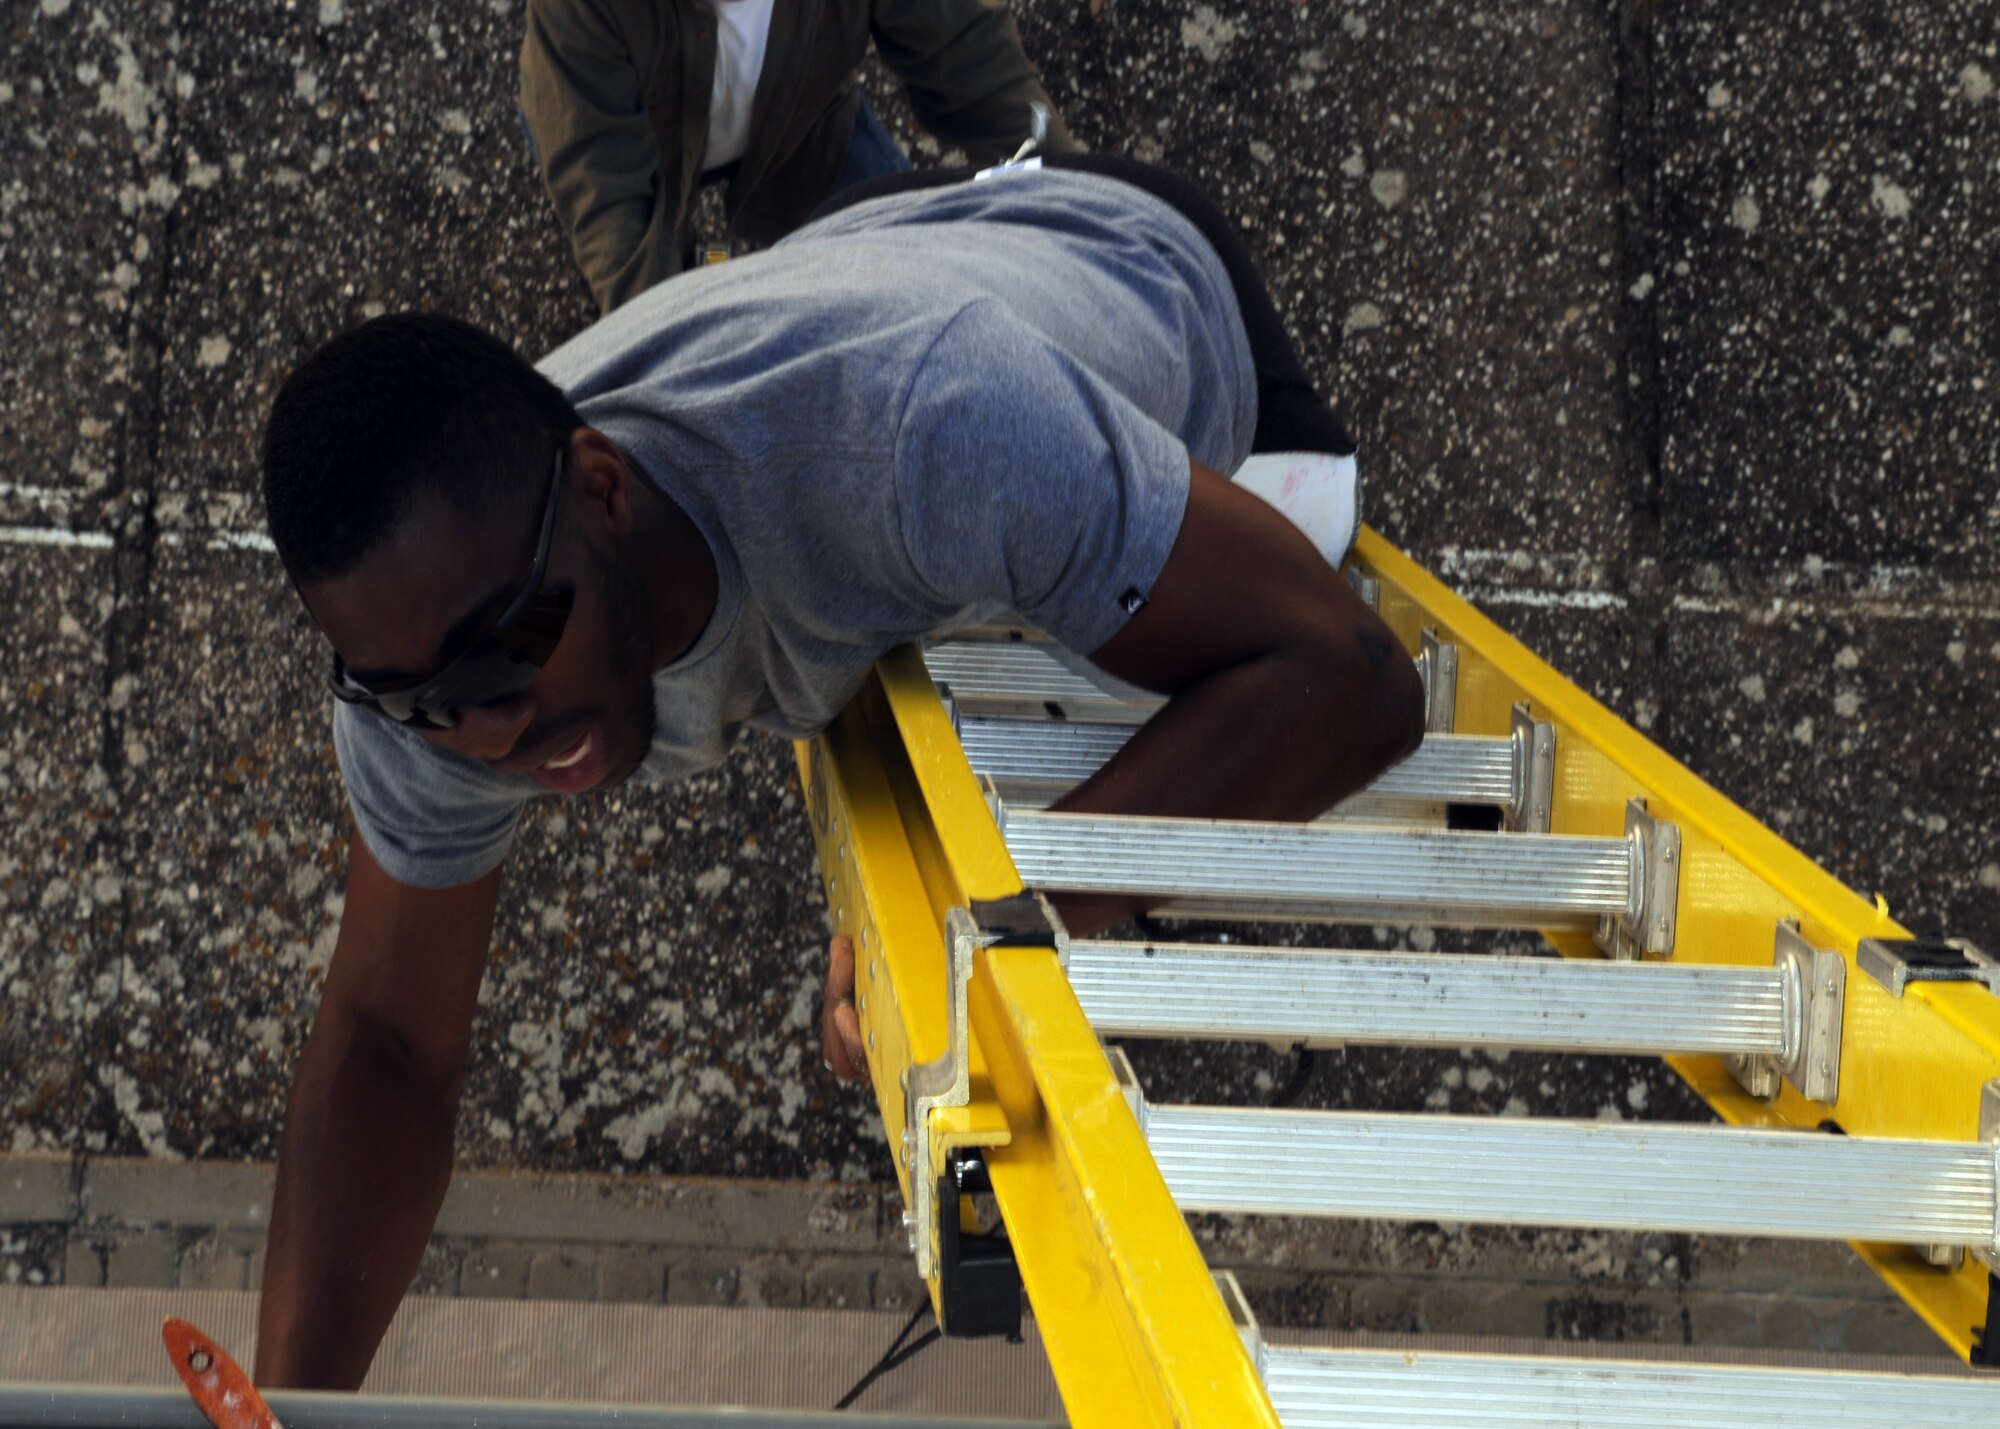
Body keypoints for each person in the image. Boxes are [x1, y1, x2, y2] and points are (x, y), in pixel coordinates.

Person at [251, 155, 1424, 1387]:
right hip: (887, 247)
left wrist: (993, 936)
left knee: (1269, 551)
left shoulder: (921, 426)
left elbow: (1350, 675)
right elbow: (386, 1037)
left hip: (1140, 263)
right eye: (430, 704)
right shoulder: (434, 652)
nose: (489, 731)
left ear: (602, 489)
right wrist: (276, 1416)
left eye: (518, 650)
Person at [521, 0, 1078, 314]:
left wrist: (1083, 200)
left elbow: (979, 67)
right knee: (643, 296)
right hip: (636, 141)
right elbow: (609, 199)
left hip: (801, 126)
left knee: (925, 289)